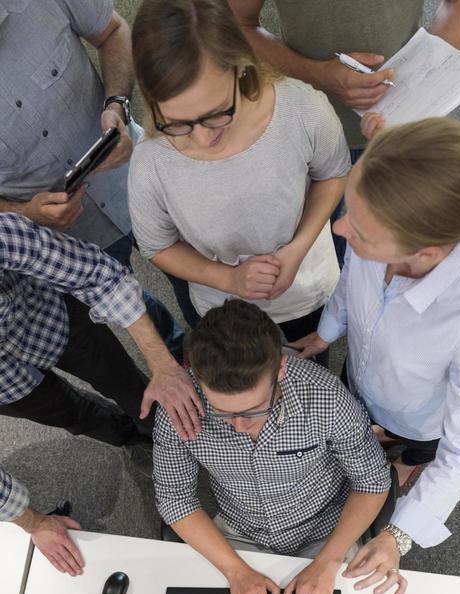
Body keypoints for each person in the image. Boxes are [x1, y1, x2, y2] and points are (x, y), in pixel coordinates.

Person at [293, 118, 460, 592]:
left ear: (428, 251)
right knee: (362, 414)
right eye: (348, 211)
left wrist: (399, 535)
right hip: (364, 375)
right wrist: (325, 334)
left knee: (420, 446)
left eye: (361, 231)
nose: (338, 228)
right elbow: (350, 286)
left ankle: (408, 462)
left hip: (420, 416)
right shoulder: (376, 223)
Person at [0, 208, 202, 575]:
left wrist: (163, 363)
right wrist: (33, 523)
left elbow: (95, 273)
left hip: (45, 315)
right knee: (77, 416)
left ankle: (179, 439)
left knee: (127, 384)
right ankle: (135, 442)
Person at [0, 0, 184, 357]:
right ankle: (180, 351)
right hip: (68, 236)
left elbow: (113, 32)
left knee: (195, 271)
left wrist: (118, 104)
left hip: (141, 174)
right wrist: (23, 213)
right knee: (133, 306)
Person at [153, 299, 401, 594]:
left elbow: (372, 481)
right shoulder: (180, 405)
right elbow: (176, 498)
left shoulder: (325, 396)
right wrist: (236, 571)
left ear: (281, 370)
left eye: (253, 409)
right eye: (223, 413)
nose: (239, 426)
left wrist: (328, 562)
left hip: (325, 532)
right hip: (236, 536)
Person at [128, 0, 350, 349]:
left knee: (309, 349)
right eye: (176, 123)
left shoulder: (302, 109)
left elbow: (333, 173)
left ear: (242, 70)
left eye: (216, 113)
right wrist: (229, 279)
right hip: (221, 303)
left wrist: (298, 247)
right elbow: (158, 245)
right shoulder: (150, 162)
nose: (203, 139)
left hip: (306, 280)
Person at [228, 0, 460, 153]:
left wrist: (419, 84)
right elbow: (237, 24)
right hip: (314, 129)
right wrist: (317, 75)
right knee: (332, 235)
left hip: (409, 124)